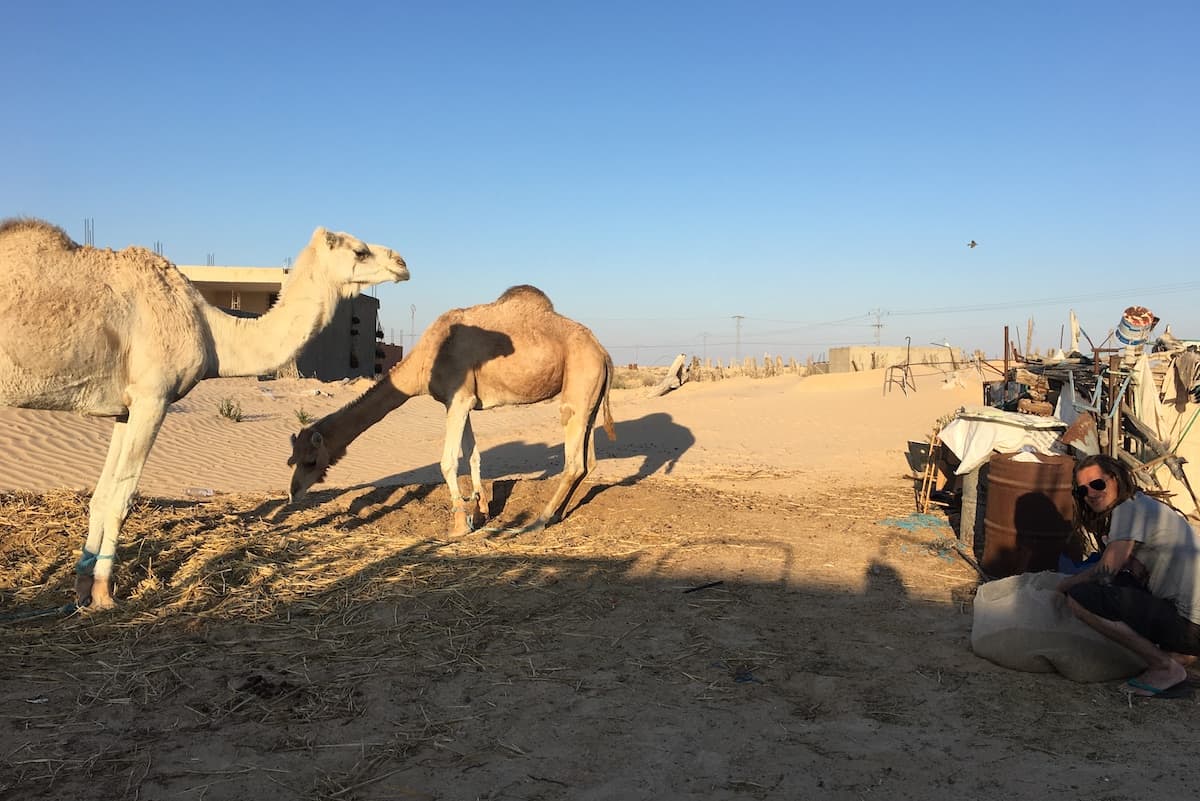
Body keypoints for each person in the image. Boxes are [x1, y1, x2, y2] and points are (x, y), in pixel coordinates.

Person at [1056, 454, 1200, 696]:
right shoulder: (1143, 505)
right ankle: (1181, 654)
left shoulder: (1128, 509)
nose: (1091, 494)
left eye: (1098, 484)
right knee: (1123, 585)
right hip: (1193, 622)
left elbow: (1107, 570)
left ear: (1115, 480)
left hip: (1192, 625)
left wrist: (1062, 586)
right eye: (1083, 490)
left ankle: (1164, 667)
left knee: (1080, 598)